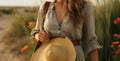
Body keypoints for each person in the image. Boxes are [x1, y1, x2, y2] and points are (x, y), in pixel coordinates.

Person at [31, 0, 102, 61]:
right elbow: (36, 31)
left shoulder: (85, 7)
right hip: (51, 57)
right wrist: (38, 36)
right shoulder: (45, 7)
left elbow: (90, 42)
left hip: (75, 57)